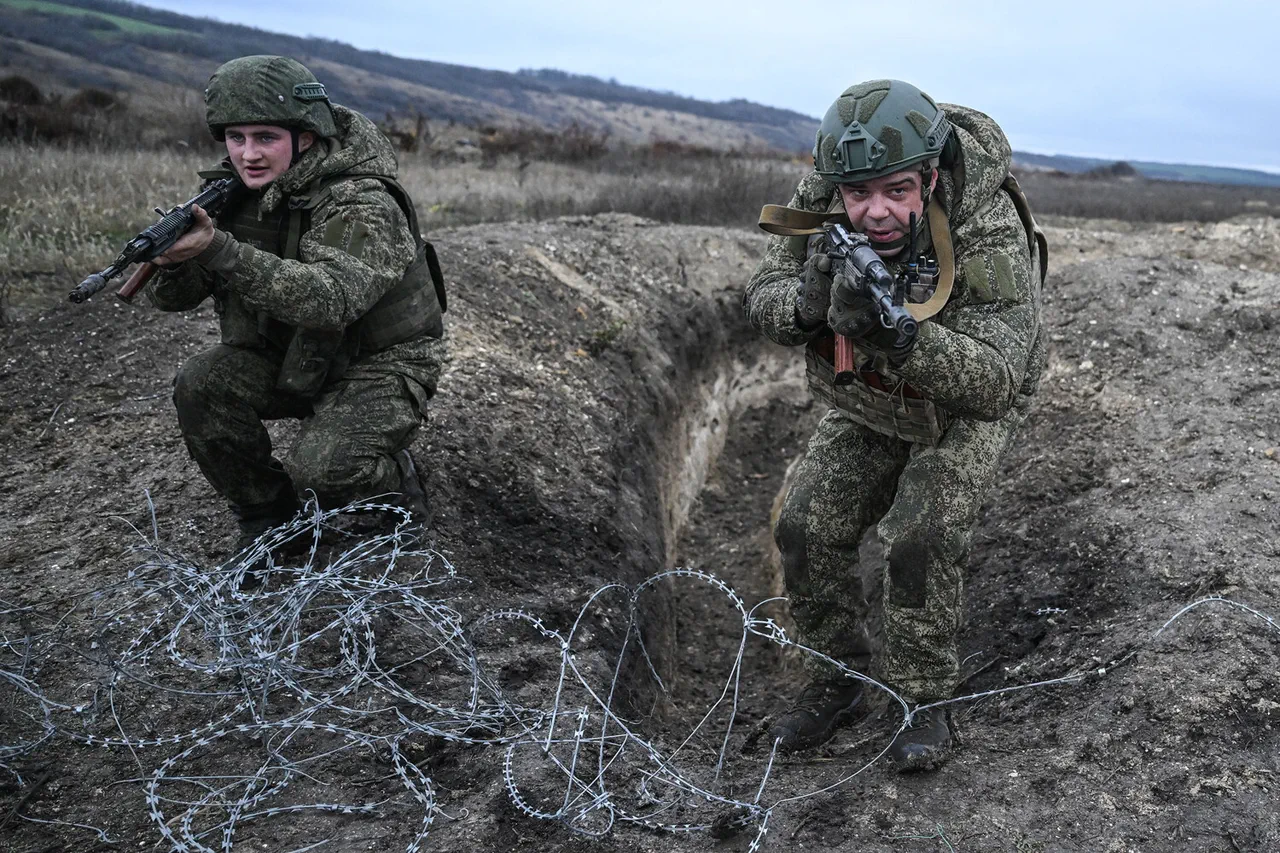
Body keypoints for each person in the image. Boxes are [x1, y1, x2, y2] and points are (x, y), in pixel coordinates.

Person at [743, 79, 1048, 770]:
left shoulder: (987, 225)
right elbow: (762, 292)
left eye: (897, 191)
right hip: (878, 391)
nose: (875, 212)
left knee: (920, 535)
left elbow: (995, 381)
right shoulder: (825, 191)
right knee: (805, 524)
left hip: (965, 400)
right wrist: (808, 303)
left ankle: (920, 697)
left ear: (930, 176)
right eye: (859, 194)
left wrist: (900, 337)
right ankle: (836, 679)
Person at [146, 55, 447, 558]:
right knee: (200, 384)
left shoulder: (362, 200)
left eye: (265, 137)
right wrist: (175, 263)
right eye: (236, 138)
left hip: (374, 362)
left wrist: (220, 250)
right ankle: (270, 521)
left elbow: (331, 300)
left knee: (325, 470)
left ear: (304, 137)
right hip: (290, 352)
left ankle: (397, 492)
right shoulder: (230, 194)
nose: (248, 154)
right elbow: (172, 300)